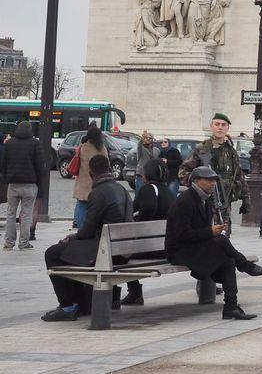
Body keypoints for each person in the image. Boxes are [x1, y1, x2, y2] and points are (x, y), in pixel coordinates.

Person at [165, 166, 262, 320]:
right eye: (208, 180)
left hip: (195, 246)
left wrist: (213, 231)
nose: (213, 184)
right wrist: (210, 232)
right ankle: (245, 265)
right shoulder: (185, 201)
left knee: (228, 259)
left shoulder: (204, 200)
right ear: (196, 181)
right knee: (221, 241)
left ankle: (231, 307)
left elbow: (201, 231)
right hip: (180, 251)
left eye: (214, 180)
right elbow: (182, 235)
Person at [42, 155, 133, 321]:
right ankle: (81, 303)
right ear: (109, 170)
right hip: (122, 250)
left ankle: (68, 305)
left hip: (106, 250)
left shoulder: (98, 193)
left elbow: (86, 232)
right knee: (70, 253)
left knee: (53, 253)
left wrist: (72, 237)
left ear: (91, 173)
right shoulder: (122, 189)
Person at [179, 113, 250, 235]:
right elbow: (183, 172)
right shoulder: (202, 150)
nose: (220, 128)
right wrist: (199, 184)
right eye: (217, 124)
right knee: (206, 234)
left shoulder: (231, 151)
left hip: (225, 201)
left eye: (223, 125)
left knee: (224, 236)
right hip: (204, 202)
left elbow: (239, 176)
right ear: (211, 127)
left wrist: (246, 199)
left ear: (228, 128)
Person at [121, 159, 176, 306]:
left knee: (118, 255)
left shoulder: (148, 189)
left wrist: (139, 223)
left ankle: (131, 293)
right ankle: (134, 293)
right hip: (165, 246)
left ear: (146, 174)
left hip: (153, 248)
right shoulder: (168, 191)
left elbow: (148, 209)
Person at [1, 121, 45, 251]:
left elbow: (3, 164)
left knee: (10, 213)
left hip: (13, 184)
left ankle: (9, 242)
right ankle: (24, 242)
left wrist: (6, 179)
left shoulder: (9, 143)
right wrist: (38, 181)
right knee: (26, 214)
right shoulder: (35, 143)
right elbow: (40, 165)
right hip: (30, 184)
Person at [72, 125, 108, 229]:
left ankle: (80, 228)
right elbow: (107, 164)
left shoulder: (83, 148)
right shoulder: (102, 149)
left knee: (82, 206)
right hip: (99, 183)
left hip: (83, 182)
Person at [135, 131, 159, 197]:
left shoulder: (156, 150)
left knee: (149, 194)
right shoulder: (141, 149)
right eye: (146, 138)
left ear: (153, 140)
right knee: (139, 193)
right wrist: (142, 138)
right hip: (141, 174)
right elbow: (139, 145)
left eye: (150, 138)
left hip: (152, 176)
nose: (148, 139)